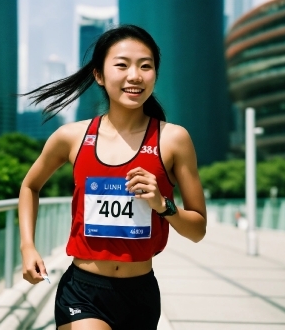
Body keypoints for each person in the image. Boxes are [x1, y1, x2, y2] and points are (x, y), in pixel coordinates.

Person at [18, 24, 207, 330]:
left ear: (155, 75)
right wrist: (28, 246)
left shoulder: (173, 140)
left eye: (145, 66)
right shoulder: (72, 136)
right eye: (122, 65)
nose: (135, 76)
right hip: (82, 292)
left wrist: (163, 204)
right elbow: (30, 185)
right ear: (99, 75)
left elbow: (198, 229)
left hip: (141, 294)